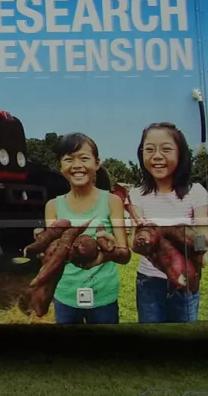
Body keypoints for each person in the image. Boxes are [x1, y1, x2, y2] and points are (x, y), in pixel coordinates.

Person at [124, 122, 208, 323]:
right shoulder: (137, 195)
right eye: (149, 149)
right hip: (149, 282)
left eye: (166, 149)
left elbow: (203, 235)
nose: (156, 156)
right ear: (142, 154)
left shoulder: (196, 192)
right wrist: (144, 241)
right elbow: (133, 243)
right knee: (152, 337)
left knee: (186, 337)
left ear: (180, 154)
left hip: (187, 277)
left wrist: (199, 251)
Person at [42, 132, 129, 324]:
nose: (77, 165)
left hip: (103, 294)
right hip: (65, 294)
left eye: (84, 158)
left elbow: (126, 255)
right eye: (68, 159)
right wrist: (42, 247)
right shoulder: (53, 206)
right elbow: (53, 256)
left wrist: (108, 253)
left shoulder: (112, 202)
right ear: (61, 166)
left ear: (97, 163)